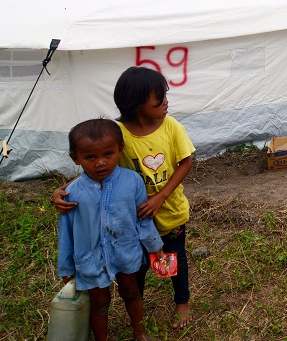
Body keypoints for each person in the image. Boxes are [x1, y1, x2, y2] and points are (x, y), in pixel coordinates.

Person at [55, 66, 196, 329]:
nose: (167, 102)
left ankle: (181, 301)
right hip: (132, 220)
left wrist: (161, 197)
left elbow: (186, 162)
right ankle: (136, 306)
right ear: (139, 103)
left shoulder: (171, 126)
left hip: (170, 212)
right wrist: (64, 189)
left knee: (175, 259)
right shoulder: (117, 133)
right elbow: (98, 166)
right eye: (160, 98)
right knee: (137, 265)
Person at [58, 118, 165, 341]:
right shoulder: (72, 192)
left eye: (108, 154)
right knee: (99, 303)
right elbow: (66, 232)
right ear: (75, 158)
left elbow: (143, 219)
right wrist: (66, 266)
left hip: (125, 251)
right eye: (90, 157)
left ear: (120, 150)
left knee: (132, 291)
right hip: (90, 259)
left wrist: (156, 247)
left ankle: (140, 331)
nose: (100, 163)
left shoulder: (133, 181)